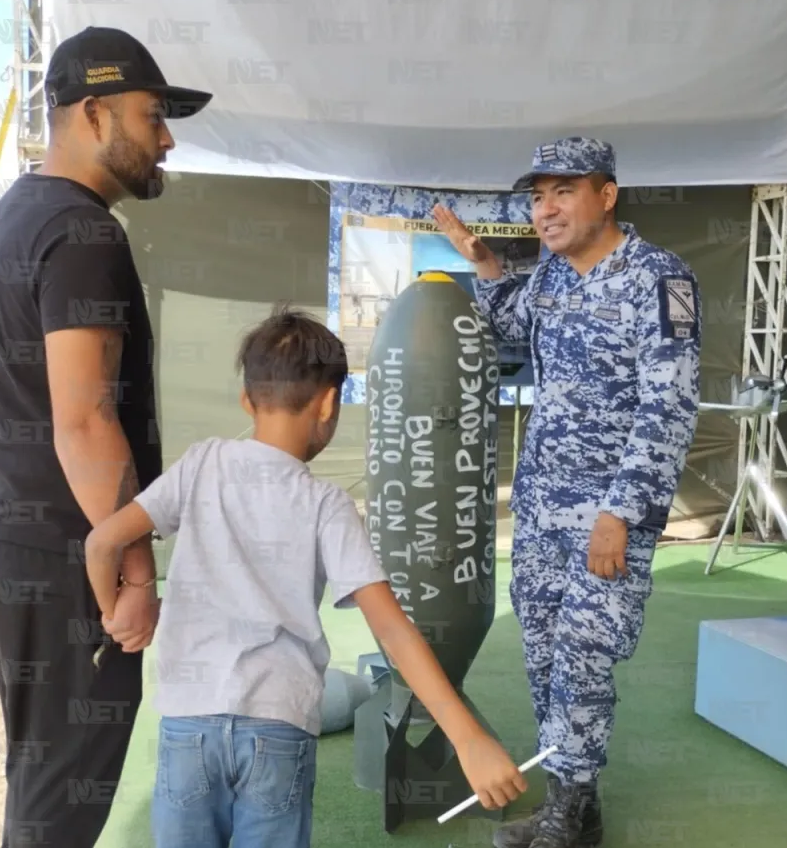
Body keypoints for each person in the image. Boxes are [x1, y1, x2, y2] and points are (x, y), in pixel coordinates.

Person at [83, 304, 530, 848]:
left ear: (247, 400)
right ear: (329, 403)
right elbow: (392, 630)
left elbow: (102, 541)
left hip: (188, 720)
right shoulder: (327, 503)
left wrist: (120, 607)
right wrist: (468, 737)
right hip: (279, 725)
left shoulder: (201, 463)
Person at [0, 25, 212, 847]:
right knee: (62, 789)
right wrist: (133, 568)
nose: (166, 138)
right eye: (154, 116)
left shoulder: (12, 219)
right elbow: (84, 419)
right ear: (95, 114)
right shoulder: (83, 233)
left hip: (14, 541)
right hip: (71, 558)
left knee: (42, 771)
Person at [433, 136, 702, 848]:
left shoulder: (659, 278)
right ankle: (576, 810)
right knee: (545, 656)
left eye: (562, 192)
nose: (544, 209)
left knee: (584, 653)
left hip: (607, 515)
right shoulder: (551, 276)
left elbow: (668, 407)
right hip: (543, 508)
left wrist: (622, 512)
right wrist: (484, 264)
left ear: (606, 195)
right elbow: (509, 323)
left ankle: (563, 818)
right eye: (536, 195)